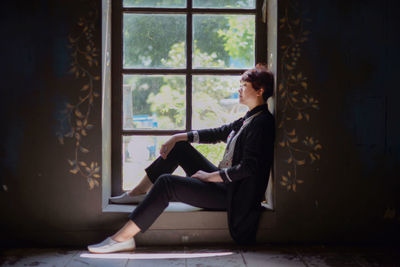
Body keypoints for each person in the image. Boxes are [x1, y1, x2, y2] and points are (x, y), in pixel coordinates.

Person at [88, 64, 275, 253]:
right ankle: (137, 193)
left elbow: (248, 168)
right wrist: (179, 136)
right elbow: (218, 132)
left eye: (244, 85)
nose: (238, 89)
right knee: (179, 147)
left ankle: (122, 238)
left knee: (167, 184)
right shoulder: (250, 117)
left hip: (233, 195)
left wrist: (209, 177)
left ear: (260, 91)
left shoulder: (262, 123)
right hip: (225, 184)